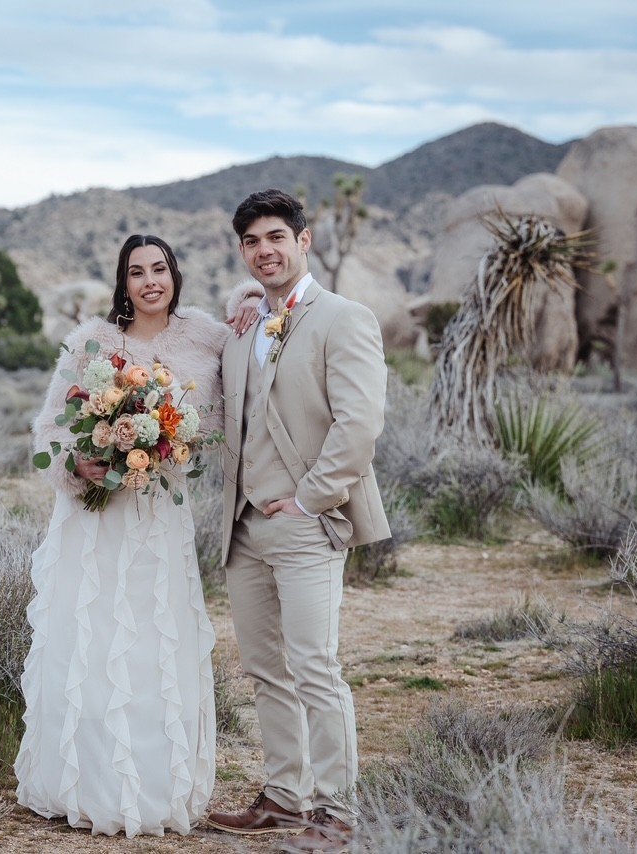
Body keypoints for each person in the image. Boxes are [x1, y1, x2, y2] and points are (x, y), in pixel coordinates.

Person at [16, 234, 259, 837]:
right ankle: (87, 784)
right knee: (94, 639)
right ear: (122, 283)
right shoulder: (91, 342)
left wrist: (249, 297)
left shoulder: (207, 337)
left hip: (159, 516)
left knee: (155, 639)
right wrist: (79, 463)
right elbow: (48, 430)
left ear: (175, 275)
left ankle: (153, 787)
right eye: (136, 272)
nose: (151, 281)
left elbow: (255, 330)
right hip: (96, 518)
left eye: (160, 269)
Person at [209, 189, 390, 853]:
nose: (265, 251)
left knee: (315, 667)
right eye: (252, 241)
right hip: (243, 526)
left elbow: (359, 424)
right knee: (264, 670)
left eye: (276, 237)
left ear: (303, 240)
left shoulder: (344, 318)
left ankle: (336, 811)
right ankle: (284, 797)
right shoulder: (244, 326)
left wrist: (311, 499)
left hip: (308, 522)